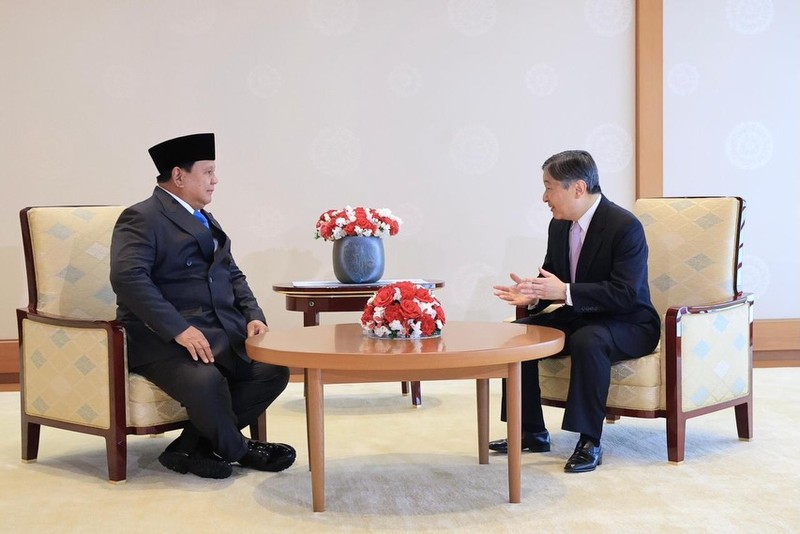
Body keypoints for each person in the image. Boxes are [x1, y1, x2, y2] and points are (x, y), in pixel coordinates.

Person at [110, 132, 295, 479]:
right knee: (207, 382)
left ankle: (188, 448)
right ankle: (239, 450)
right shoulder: (141, 217)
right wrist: (178, 330)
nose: (216, 180)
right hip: (162, 340)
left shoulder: (206, 218)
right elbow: (128, 278)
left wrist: (253, 316)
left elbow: (233, 273)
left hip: (218, 332)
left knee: (272, 371)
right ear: (179, 176)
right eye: (208, 172)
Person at [491, 149, 660, 473]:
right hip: (580, 315)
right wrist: (530, 293)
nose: (544, 197)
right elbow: (553, 279)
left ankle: (589, 440)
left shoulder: (624, 226)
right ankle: (531, 432)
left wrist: (565, 291)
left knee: (589, 340)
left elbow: (625, 293)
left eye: (549, 186)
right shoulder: (560, 226)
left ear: (578, 188)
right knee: (520, 334)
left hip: (629, 321)